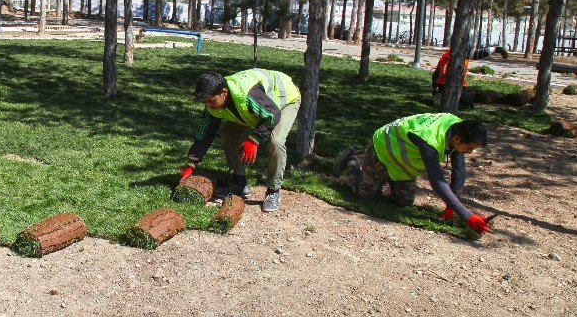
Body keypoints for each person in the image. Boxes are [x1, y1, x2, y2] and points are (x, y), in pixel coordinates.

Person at [333, 113, 494, 234]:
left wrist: (451, 207)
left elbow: (459, 172)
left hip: (404, 164)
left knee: (404, 201)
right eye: (469, 148)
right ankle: (352, 160)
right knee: (363, 195)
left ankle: (387, 179)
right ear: (458, 139)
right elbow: (437, 181)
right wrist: (467, 216)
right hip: (384, 151)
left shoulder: (458, 127)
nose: (470, 152)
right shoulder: (429, 139)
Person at [179, 69, 302, 212]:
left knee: (276, 141)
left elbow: (272, 115)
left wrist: (254, 140)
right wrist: (191, 163)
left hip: (284, 101)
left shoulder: (246, 95)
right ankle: (240, 184)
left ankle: (273, 190)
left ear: (224, 92)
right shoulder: (212, 104)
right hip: (258, 109)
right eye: (204, 102)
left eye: (211, 101)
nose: (208, 106)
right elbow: (205, 134)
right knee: (228, 132)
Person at [432, 44, 509, 109]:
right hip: (455, 85)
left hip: (442, 84)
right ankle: (445, 104)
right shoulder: (461, 53)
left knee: (461, 96)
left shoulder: (446, 54)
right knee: (468, 104)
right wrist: (498, 49)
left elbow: (435, 74)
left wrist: (435, 90)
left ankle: (442, 96)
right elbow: (481, 53)